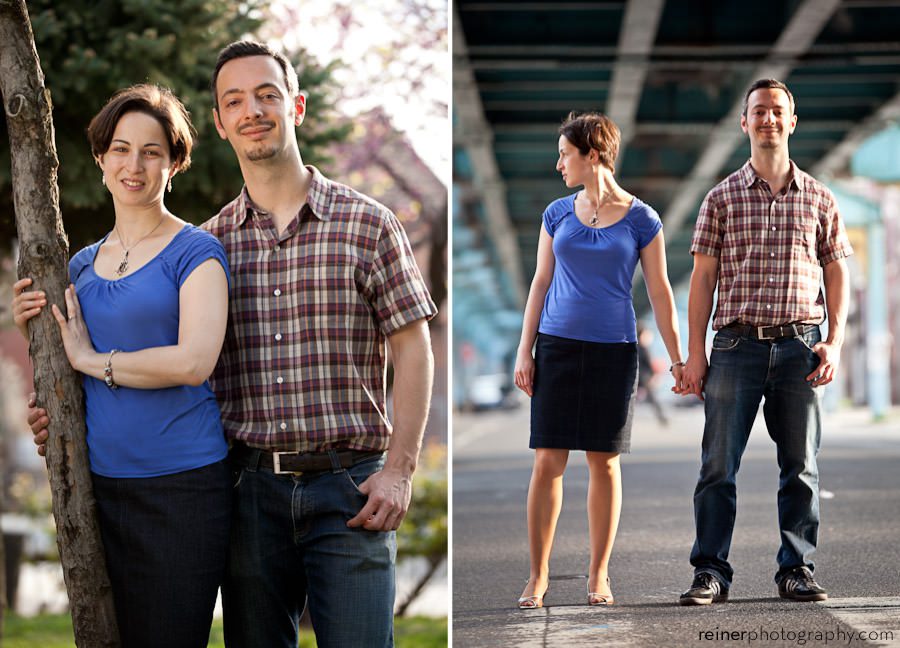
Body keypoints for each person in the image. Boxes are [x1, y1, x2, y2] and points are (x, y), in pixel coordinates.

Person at [27, 41, 436, 647]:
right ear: (220, 122)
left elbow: (413, 346)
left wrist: (399, 471)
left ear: (296, 106)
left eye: (267, 95)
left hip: (349, 487)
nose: (253, 111)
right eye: (235, 101)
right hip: (247, 493)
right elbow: (133, 343)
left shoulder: (367, 223)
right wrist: (58, 410)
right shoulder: (214, 240)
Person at [12, 85, 231, 648]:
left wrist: (93, 360)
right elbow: (68, 372)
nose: (135, 165)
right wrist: (35, 346)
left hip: (182, 490)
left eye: (152, 152)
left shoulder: (198, 252)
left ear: (174, 164)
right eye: (121, 149)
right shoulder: (78, 267)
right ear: (101, 160)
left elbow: (193, 361)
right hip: (99, 490)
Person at [678, 79, 852, 606]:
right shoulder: (721, 198)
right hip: (736, 347)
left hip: (801, 346)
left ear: (792, 122)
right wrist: (695, 354)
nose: (768, 119)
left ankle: (796, 569)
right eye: (759, 111)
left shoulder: (819, 197)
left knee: (801, 467)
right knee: (717, 468)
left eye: (777, 111)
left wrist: (835, 341)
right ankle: (710, 572)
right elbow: (702, 279)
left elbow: (837, 272)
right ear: (744, 122)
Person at [513, 111, 684, 609]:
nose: (559, 164)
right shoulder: (556, 214)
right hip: (557, 347)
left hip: (614, 350)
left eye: (565, 154)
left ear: (592, 155)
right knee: (548, 461)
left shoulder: (642, 219)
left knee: (604, 463)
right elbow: (540, 283)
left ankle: (599, 574)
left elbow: (660, 292)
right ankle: (538, 576)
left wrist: (678, 359)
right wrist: (525, 350)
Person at [636, 323, 669, 426]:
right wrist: (654, 376)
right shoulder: (642, 348)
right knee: (653, 399)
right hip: (643, 378)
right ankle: (662, 417)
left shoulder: (636, 347)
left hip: (637, 377)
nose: (650, 337)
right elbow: (649, 365)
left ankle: (661, 417)